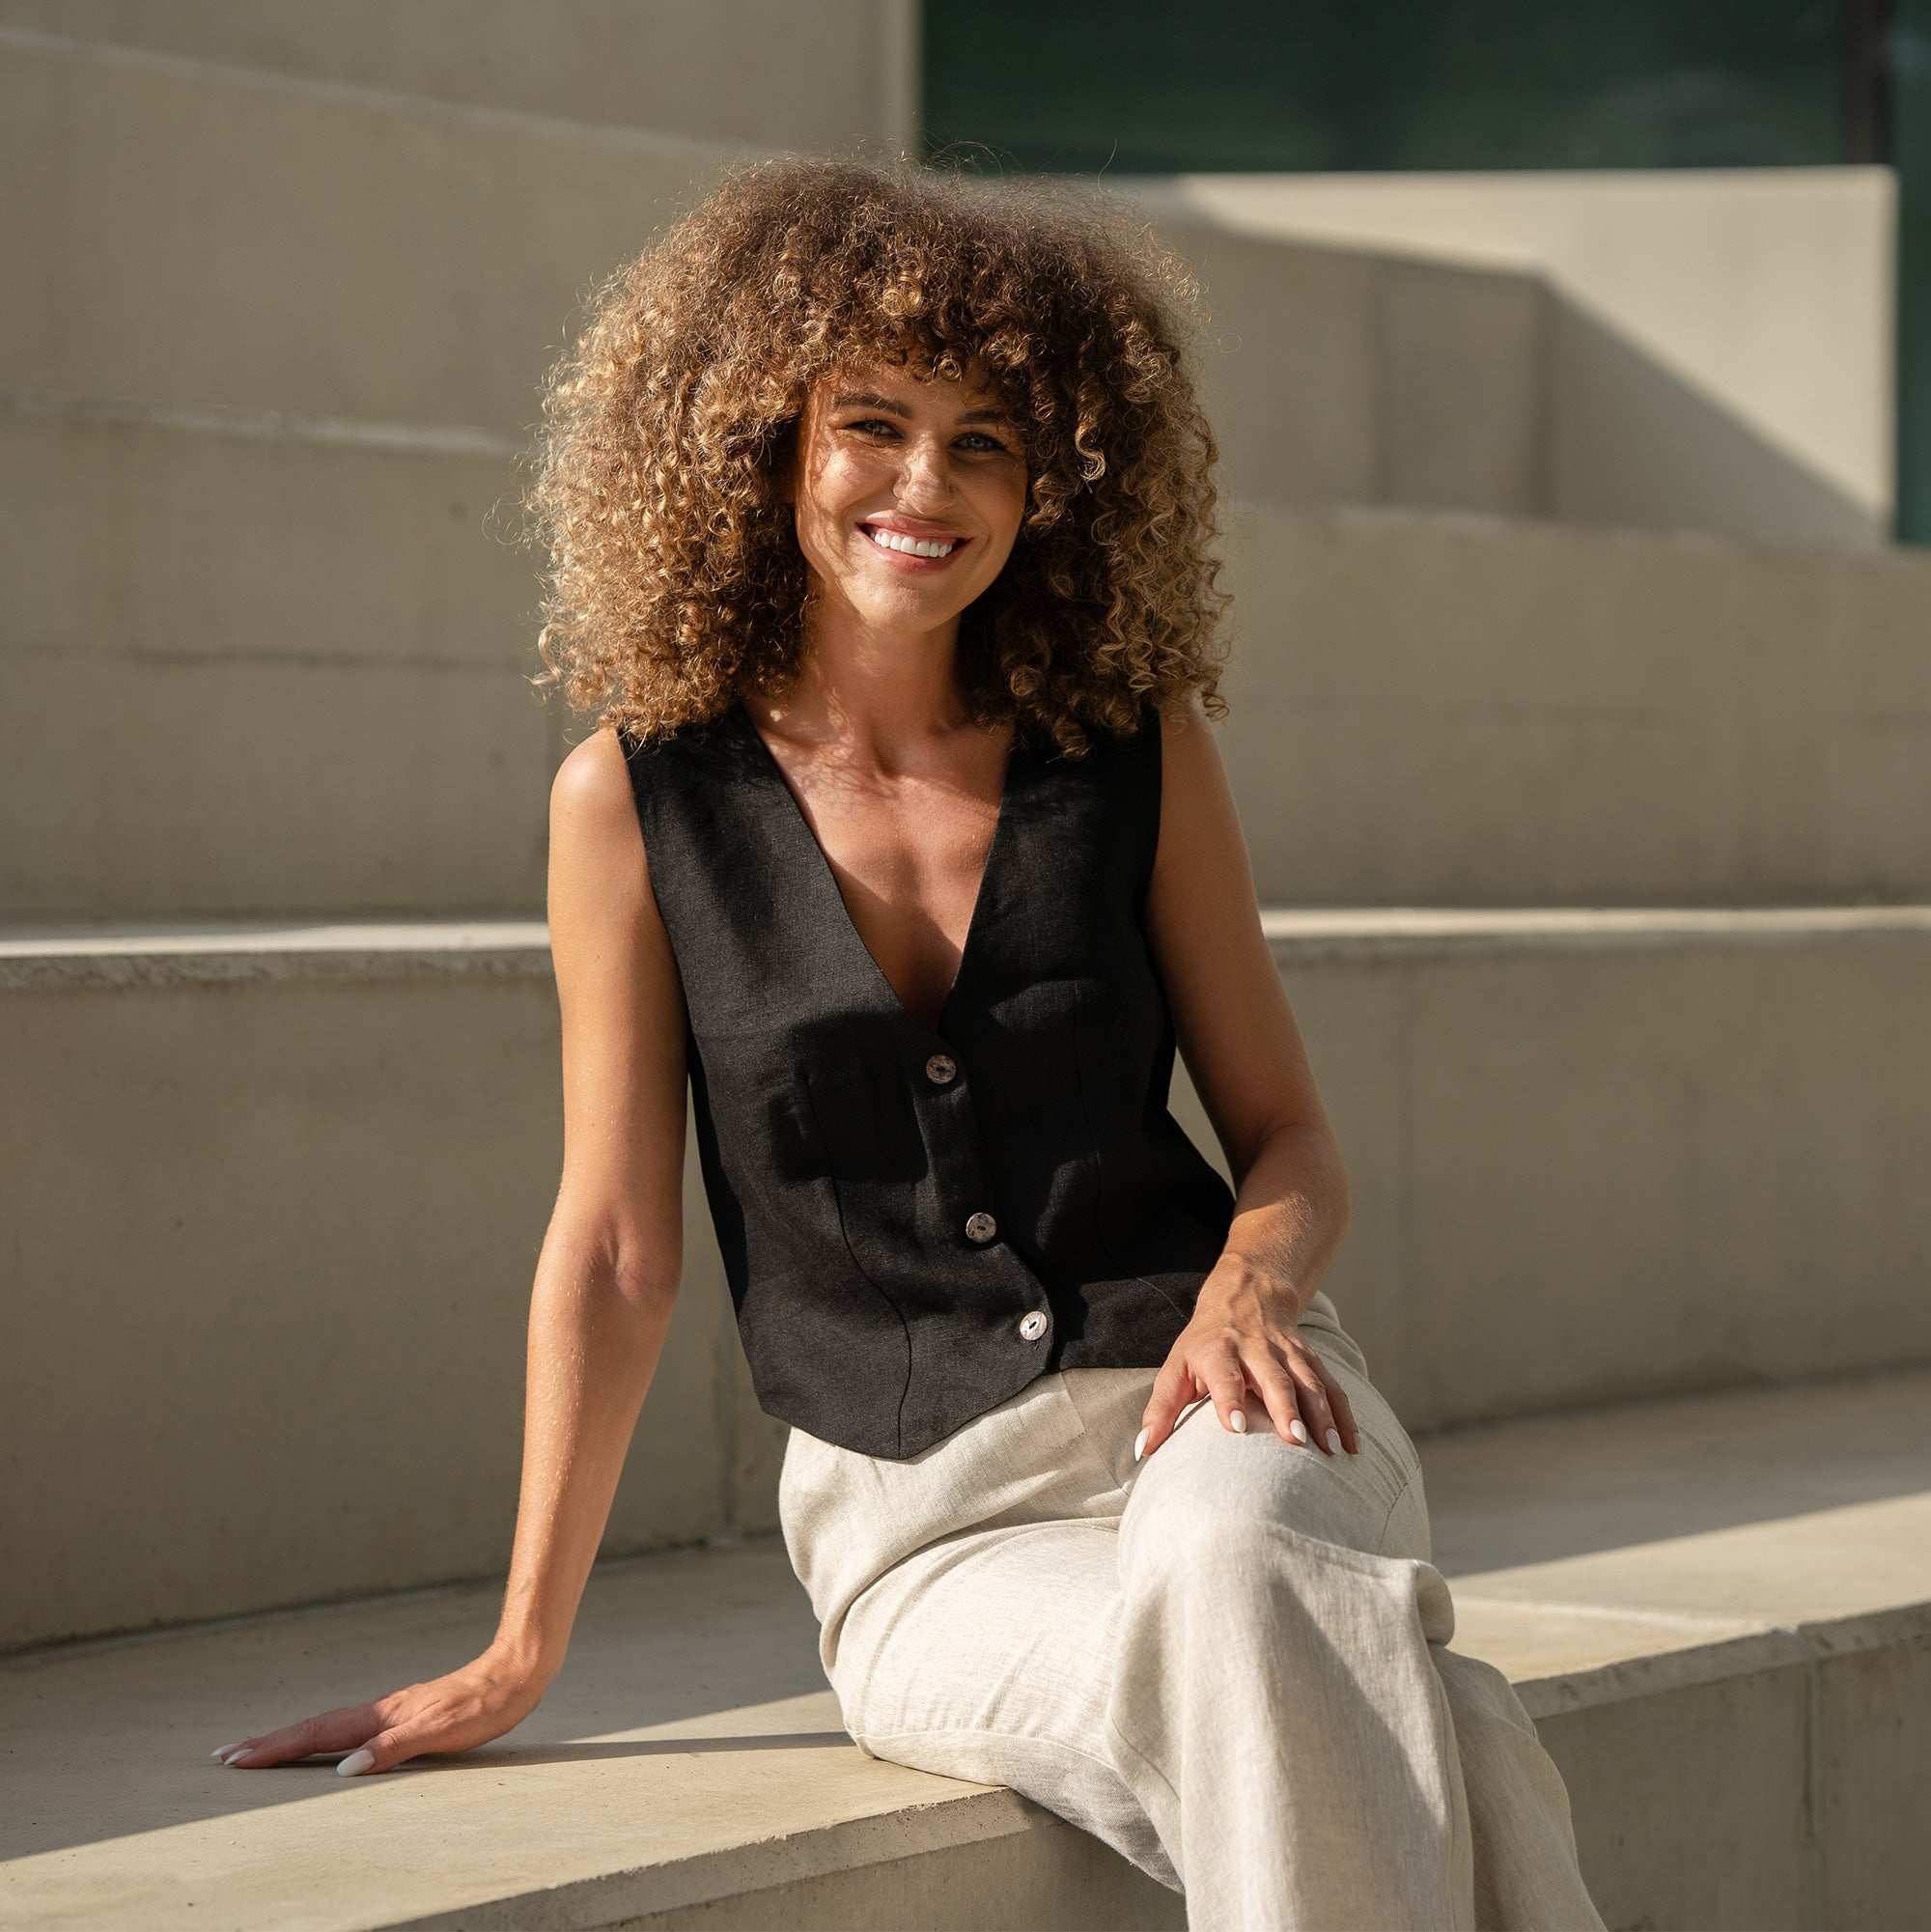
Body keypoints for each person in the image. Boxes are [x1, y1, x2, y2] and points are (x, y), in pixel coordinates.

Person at [211, 158, 1606, 1931]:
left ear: (1055, 482)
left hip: (1232, 1415)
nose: (924, 488)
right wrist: (521, 1642)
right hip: (928, 1533)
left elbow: (1291, 1135)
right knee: (1421, 1721)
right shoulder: (632, 807)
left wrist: (1252, 1289)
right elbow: (622, 1243)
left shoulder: (1135, 748)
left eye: (988, 442)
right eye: (871, 424)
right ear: (767, 443)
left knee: (1247, 1572)